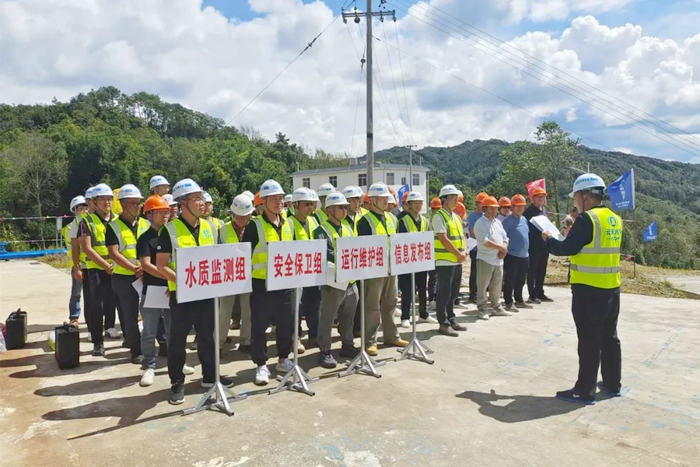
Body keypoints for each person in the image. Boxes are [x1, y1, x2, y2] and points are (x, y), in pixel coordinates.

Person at [542, 173, 622, 405]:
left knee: (589, 340)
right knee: (610, 337)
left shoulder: (588, 219)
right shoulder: (614, 218)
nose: (575, 201)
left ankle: (584, 391)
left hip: (589, 289)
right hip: (611, 287)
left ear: (586, 196)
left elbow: (567, 248)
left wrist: (548, 239)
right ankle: (612, 383)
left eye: (576, 197)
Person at [156, 178, 233, 405]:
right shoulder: (169, 230)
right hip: (182, 295)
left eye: (202, 198)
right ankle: (177, 382)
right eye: (197, 198)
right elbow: (161, 265)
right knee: (178, 340)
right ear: (183, 202)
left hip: (207, 293)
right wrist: (183, 282)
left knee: (208, 337)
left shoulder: (210, 227)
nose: (202, 202)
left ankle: (210, 376)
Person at [136, 195, 195, 387]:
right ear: (149, 215)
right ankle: (149, 365)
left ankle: (177, 363)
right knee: (149, 331)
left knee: (174, 331)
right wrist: (168, 278)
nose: (164, 216)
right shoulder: (145, 238)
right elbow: (146, 264)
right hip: (154, 289)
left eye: (166, 212)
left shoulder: (172, 234)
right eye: (160, 213)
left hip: (172, 289)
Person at [242, 179, 295, 386]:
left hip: (285, 283)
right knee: (259, 326)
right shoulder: (254, 226)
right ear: (263, 202)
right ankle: (261, 364)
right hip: (261, 284)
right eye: (273, 199)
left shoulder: (288, 223)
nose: (279, 202)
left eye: (281, 198)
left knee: (286, 324)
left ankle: (283, 359)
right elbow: (244, 255)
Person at [356, 182, 408, 355]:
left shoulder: (392, 218)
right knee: (372, 306)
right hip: (374, 270)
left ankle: (391, 336)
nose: (386, 201)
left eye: (387, 198)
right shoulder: (364, 221)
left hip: (391, 268)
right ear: (372, 200)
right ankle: (370, 341)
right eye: (382, 198)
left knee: (391, 303)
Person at [313, 192, 359, 368]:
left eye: (345, 207)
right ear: (330, 210)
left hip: (350, 280)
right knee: (328, 316)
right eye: (341, 207)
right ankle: (324, 350)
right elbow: (328, 254)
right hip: (333, 282)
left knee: (349, 314)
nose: (345, 210)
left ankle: (347, 344)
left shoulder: (347, 228)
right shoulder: (321, 230)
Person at [107, 184, 150, 364]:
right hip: (124, 277)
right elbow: (114, 253)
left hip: (146, 274)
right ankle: (136, 350)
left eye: (139, 203)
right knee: (130, 315)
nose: (137, 206)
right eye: (133, 203)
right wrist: (135, 269)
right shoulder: (113, 227)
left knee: (154, 312)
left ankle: (159, 345)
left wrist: (147, 268)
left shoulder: (145, 224)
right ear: (123, 204)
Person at [79, 183, 120, 356]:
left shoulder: (118, 220)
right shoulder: (86, 221)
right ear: (94, 202)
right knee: (96, 307)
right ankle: (98, 343)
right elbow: (87, 248)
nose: (106, 202)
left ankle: (128, 337)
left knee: (120, 304)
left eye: (109, 198)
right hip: (96, 270)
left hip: (118, 269)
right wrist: (105, 264)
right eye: (102, 199)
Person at [218, 194, 255, 353]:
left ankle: (246, 341)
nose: (241, 219)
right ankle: (219, 343)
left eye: (244, 216)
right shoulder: (222, 230)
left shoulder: (254, 228)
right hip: (228, 276)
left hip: (249, 275)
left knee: (248, 310)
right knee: (224, 311)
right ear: (232, 213)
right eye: (238, 215)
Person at [286, 188, 321, 353]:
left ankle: (314, 336)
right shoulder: (289, 223)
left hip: (312, 271)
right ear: (295, 205)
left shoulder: (313, 221)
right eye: (306, 204)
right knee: (296, 307)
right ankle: (296, 338)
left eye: (312, 204)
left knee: (314, 305)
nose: (310, 208)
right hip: (295, 273)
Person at [432, 184, 468, 336]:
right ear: (444, 199)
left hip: (456, 260)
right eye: (452, 197)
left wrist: (464, 251)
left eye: (456, 197)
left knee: (453, 293)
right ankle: (443, 323)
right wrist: (458, 254)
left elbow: (462, 237)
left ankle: (451, 319)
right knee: (444, 294)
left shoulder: (456, 217)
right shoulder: (439, 216)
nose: (456, 199)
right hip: (445, 261)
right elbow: (443, 238)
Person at [397, 192, 437, 328]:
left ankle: (423, 314)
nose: (418, 205)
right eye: (415, 203)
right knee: (407, 290)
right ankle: (405, 316)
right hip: (406, 260)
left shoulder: (425, 220)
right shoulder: (403, 221)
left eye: (420, 203)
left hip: (421, 260)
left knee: (422, 288)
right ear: (409, 204)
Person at [474, 196, 510, 319]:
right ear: (485, 209)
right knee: (483, 286)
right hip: (485, 259)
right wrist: (501, 248)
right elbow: (485, 241)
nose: (494, 210)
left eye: (495, 208)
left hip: (498, 260)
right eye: (492, 208)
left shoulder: (498, 222)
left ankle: (496, 307)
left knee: (496, 286)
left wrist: (503, 249)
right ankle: (482, 309)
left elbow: (505, 238)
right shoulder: (480, 223)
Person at [501, 194, 533, 312]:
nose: (520, 208)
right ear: (512, 207)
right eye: (517, 206)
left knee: (521, 279)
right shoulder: (507, 222)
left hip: (524, 255)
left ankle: (519, 300)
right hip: (512, 255)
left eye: (522, 206)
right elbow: (503, 238)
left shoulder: (524, 220)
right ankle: (508, 302)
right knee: (510, 280)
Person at [62, 195, 88, 328]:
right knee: (76, 293)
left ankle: (93, 318)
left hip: (92, 264)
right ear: (74, 210)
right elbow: (75, 247)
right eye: (80, 208)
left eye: (85, 207)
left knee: (94, 294)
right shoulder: (68, 228)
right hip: (78, 264)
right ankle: (74, 317)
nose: (84, 210)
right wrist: (77, 266)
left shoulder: (92, 224)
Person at [524, 187, 553, 303]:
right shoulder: (528, 212)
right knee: (532, 271)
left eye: (543, 196)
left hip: (544, 246)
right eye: (539, 197)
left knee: (542, 270)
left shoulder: (544, 211)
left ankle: (540, 292)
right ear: (533, 198)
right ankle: (532, 295)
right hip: (533, 246)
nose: (541, 199)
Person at [466, 192, 487, 303]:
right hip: (475, 248)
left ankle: (482, 293)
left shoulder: (486, 216)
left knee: (484, 273)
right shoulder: (472, 216)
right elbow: (472, 232)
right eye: (481, 203)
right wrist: (485, 240)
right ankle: (473, 294)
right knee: (475, 272)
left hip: (485, 249)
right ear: (477, 204)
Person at [427, 197, 442, 309]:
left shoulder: (441, 219)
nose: (436, 211)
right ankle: (432, 298)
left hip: (440, 253)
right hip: (431, 253)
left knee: (438, 277)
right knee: (433, 277)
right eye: (434, 209)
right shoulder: (429, 221)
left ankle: (437, 298)